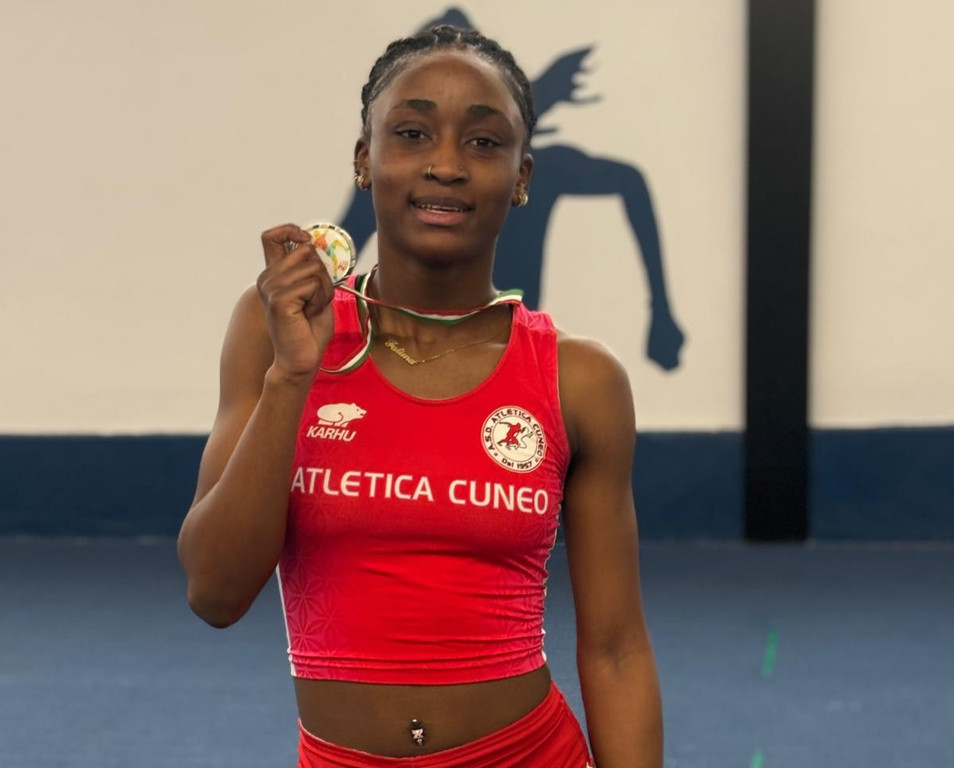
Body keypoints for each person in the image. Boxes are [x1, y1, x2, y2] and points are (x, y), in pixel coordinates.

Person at [177, 24, 662, 768]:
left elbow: (616, 648)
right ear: (364, 160)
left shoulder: (579, 379)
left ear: (522, 176)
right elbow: (214, 593)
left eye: (484, 142)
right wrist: (291, 378)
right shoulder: (277, 329)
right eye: (411, 133)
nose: (446, 165)